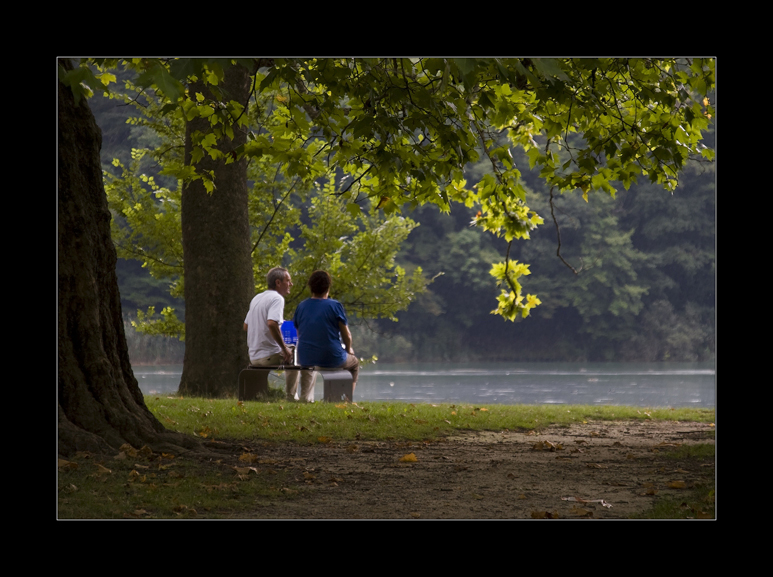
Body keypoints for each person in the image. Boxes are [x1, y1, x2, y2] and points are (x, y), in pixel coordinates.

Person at [243, 267, 317, 402]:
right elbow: (271, 323)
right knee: (302, 353)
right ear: (278, 283)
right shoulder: (277, 298)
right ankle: (295, 397)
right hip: (269, 356)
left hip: (254, 357)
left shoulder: (257, 298)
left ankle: (293, 396)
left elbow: (246, 326)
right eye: (288, 281)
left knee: (291, 351)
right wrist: (284, 348)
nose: (291, 284)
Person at [293, 270, 359, 393]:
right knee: (354, 363)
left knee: (308, 366)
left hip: (305, 358)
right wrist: (349, 349)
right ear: (328, 287)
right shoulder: (334, 305)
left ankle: (304, 398)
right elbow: (347, 336)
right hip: (331, 357)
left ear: (310, 287)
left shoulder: (301, 306)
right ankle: (347, 400)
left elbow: (299, 333)